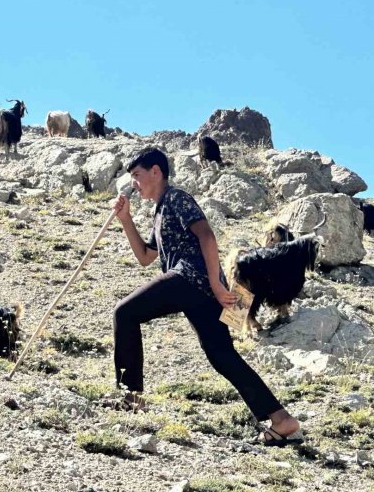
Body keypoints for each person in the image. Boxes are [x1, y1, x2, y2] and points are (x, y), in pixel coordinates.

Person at [111, 147, 301, 446]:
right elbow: (146, 256)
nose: (134, 183)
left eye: (136, 175)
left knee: (125, 313)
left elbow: (207, 236)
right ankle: (281, 419)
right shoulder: (160, 210)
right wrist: (125, 220)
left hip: (191, 278)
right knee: (222, 355)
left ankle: (129, 399)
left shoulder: (176, 198)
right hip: (200, 289)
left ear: (156, 172)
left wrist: (215, 283)